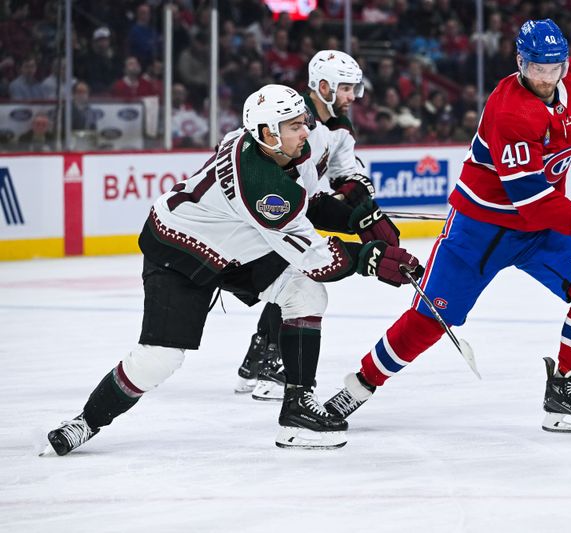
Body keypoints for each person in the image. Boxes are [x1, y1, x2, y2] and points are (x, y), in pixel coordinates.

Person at [43, 84, 422, 454]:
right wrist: (370, 259)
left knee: (304, 294)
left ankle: (297, 411)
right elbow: (317, 259)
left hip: (238, 241)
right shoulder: (262, 188)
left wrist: (359, 216)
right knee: (160, 359)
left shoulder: (286, 151)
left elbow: (309, 201)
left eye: (303, 121)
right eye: (294, 125)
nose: (305, 130)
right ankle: (85, 421)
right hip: (181, 250)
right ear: (266, 134)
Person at [324, 18, 571, 434]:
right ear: (521, 63)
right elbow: (533, 200)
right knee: (430, 318)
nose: (545, 77)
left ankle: (563, 390)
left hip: (538, 231)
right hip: (479, 232)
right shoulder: (510, 110)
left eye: (553, 68)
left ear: (564, 62)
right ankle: (358, 387)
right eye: (536, 68)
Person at [235, 50, 402, 402]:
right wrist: (330, 199)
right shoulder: (291, 119)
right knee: (291, 278)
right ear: (323, 86)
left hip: (305, 208)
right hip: (274, 212)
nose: (352, 96)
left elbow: (346, 170)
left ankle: (258, 359)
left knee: (291, 280)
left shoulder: (340, 127)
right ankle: (270, 363)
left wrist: (355, 189)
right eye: (345, 88)